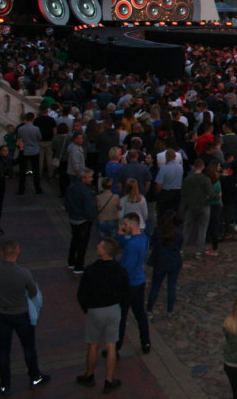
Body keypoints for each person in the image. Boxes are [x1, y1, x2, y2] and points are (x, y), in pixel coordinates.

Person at [0, 241, 49, 394]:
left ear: (2, 252)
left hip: (1, 313)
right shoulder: (24, 273)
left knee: (4, 349)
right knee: (28, 347)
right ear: (17, 253)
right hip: (20, 314)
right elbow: (33, 292)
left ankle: (5, 384)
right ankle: (35, 375)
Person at [76, 238, 129, 394]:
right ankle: (109, 380)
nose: (97, 246)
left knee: (93, 344)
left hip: (95, 310)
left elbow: (81, 294)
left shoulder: (91, 270)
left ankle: (90, 375)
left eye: (100, 245)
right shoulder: (120, 270)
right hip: (113, 309)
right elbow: (125, 293)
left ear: (104, 251)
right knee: (111, 345)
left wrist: (85, 308)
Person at [116, 212, 151, 356]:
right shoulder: (143, 239)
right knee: (140, 314)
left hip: (129, 284)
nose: (123, 227)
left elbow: (126, 268)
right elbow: (125, 242)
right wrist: (120, 235)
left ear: (132, 224)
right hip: (139, 281)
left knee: (121, 317)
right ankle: (146, 342)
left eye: (125, 224)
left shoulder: (133, 245)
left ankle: (116, 347)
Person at [146, 209, 183, 317]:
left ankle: (149, 309)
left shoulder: (158, 231)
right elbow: (179, 246)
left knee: (155, 287)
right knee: (171, 287)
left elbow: (153, 244)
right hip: (174, 262)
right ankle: (170, 310)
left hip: (160, 262)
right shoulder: (178, 233)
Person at [65, 169, 96, 274]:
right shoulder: (86, 191)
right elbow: (89, 207)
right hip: (83, 219)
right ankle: (79, 265)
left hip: (73, 218)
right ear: (83, 178)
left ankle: (71, 261)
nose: (91, 179)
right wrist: (91, 217)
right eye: (90, 177)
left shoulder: (71, 187)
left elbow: (67, 203)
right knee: (82, 243)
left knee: (74, 240)